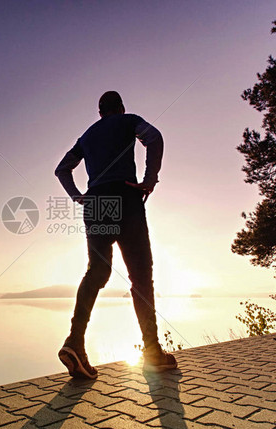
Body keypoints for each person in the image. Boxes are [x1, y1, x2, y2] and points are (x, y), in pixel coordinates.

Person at [54, 91, 177, 379]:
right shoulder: (129, 121)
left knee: (97, 271)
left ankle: (75, 342)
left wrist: (78, 196)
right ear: (120, 108)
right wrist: (149, 180)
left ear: (100, 113)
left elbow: (62, 169)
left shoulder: (86, 136)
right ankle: (152, 353)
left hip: (96, 203)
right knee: (140, 278)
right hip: (125, 198)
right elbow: (154, 137)